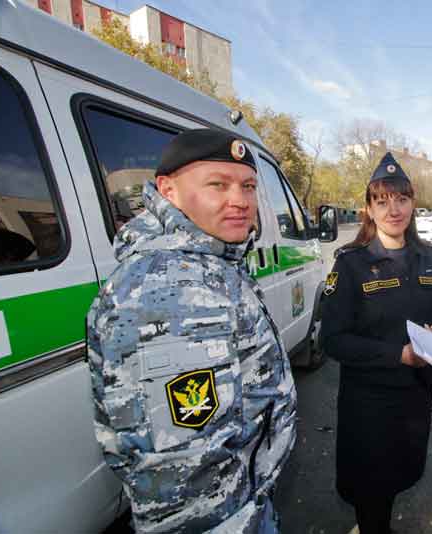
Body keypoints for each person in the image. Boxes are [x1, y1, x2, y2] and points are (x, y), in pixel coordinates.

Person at [86, 129, 296, 533]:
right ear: (168, 190)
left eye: (248, 186)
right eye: (217, 184)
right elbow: (182, 473)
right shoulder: (167, 289)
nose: (240, 200)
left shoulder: (208, 262)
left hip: (243, 501)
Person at [320, 152, 432, 534]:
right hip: (369, 408)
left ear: (413, 203)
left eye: (401, 199)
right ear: (368, 208)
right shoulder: (351, 264)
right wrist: (396, 354)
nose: (393, 209)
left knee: (402, 477)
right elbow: (331, 339)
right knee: (371, 494)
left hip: (416, 401)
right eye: (381, 201)